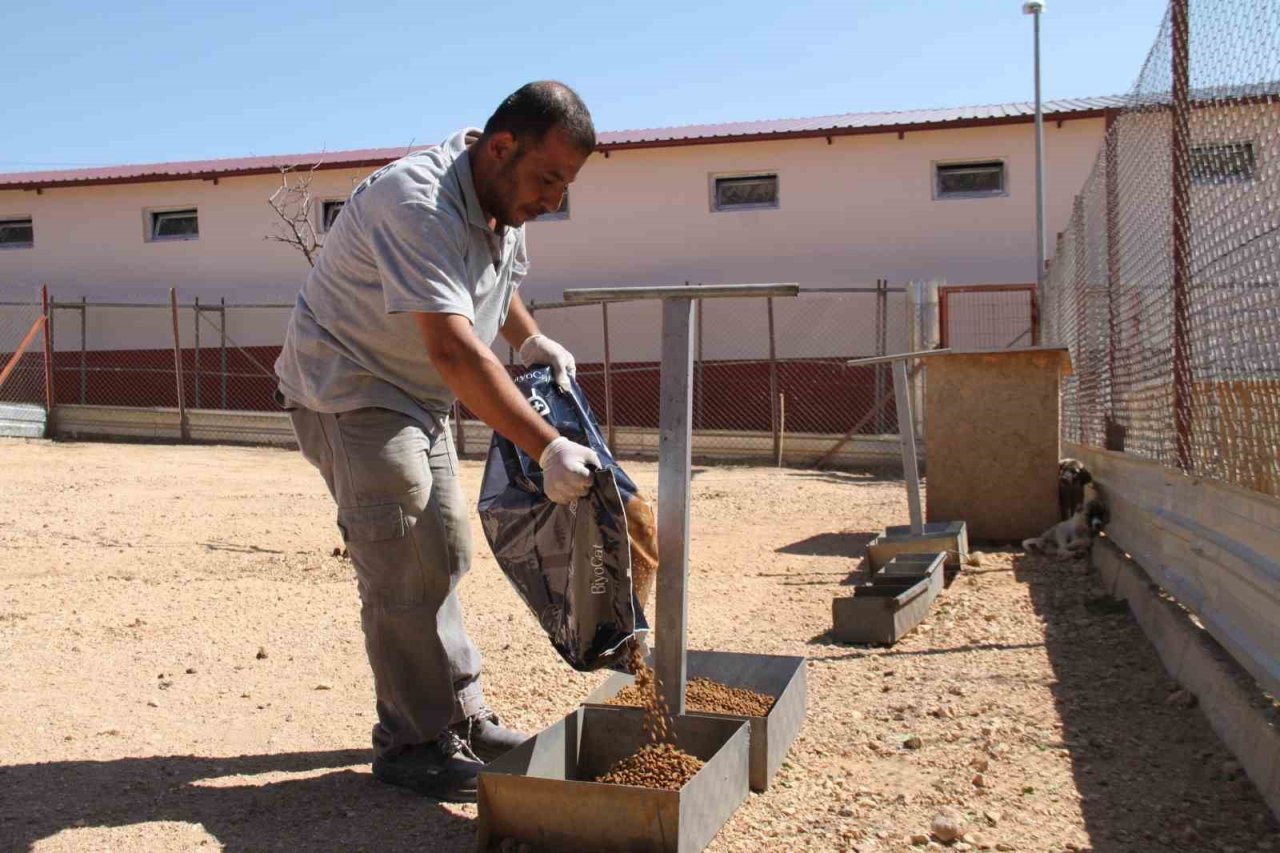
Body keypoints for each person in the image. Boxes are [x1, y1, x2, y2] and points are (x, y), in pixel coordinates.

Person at [273, 81, 601, 802]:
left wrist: (529, 336)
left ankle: (458, 714)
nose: (553, 199)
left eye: (566, 184)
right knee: (404, 557)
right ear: (502, 146)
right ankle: (412, 742)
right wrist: (546, 445)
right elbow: (454, 348)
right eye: (549, 179)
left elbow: (496, 278)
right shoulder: (414, 201)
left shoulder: (501, 195)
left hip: (415, 392)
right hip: (349, 385)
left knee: (445, 547)